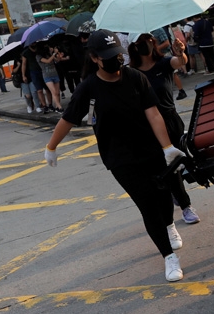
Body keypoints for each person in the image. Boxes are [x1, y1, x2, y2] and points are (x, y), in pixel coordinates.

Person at [45, 30, 188, 282]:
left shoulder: (135, 78)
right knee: (147, 205)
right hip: (120, 158)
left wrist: (167, 147)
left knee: (164, 196)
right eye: (109, 56)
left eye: (118, 55)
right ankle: (168, 257)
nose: (116, 60)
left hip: (151, 149)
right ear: (95, 58)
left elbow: (153, 114)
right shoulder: (88, 88)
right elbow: (68, 118)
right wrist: (51, 147)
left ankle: (170, 225)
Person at [128, 33, 201, 225]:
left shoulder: (163, 64)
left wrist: (181, 52)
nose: (145, 44)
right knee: (168, 167)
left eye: (148, 40)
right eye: (140, 42)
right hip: (149, 127)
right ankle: (186, 206)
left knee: (178, 164)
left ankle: (177, 194)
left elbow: (180, 61)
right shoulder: (131, 73)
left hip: (171, 121)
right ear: (134, 46)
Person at [37, 43, 65, 112]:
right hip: (47, 76)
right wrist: (53, 53)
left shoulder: (49, 54)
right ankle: (60, 107)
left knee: (58, 92)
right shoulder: (38, 56)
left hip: (54, 74)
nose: (49, 48)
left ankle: (57, 107)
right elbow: (48, 61)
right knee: (54, 92)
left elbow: (57, 60)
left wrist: (58, 55)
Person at [22, 42, 49, 112]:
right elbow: (24, 64)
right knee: (39, 90)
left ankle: (50, 104)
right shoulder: (25, 52)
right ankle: (44, 105)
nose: (33, 43)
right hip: (34, 72)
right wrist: (23, 75)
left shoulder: (40, 48)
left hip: (43, 70)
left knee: (47, 89)